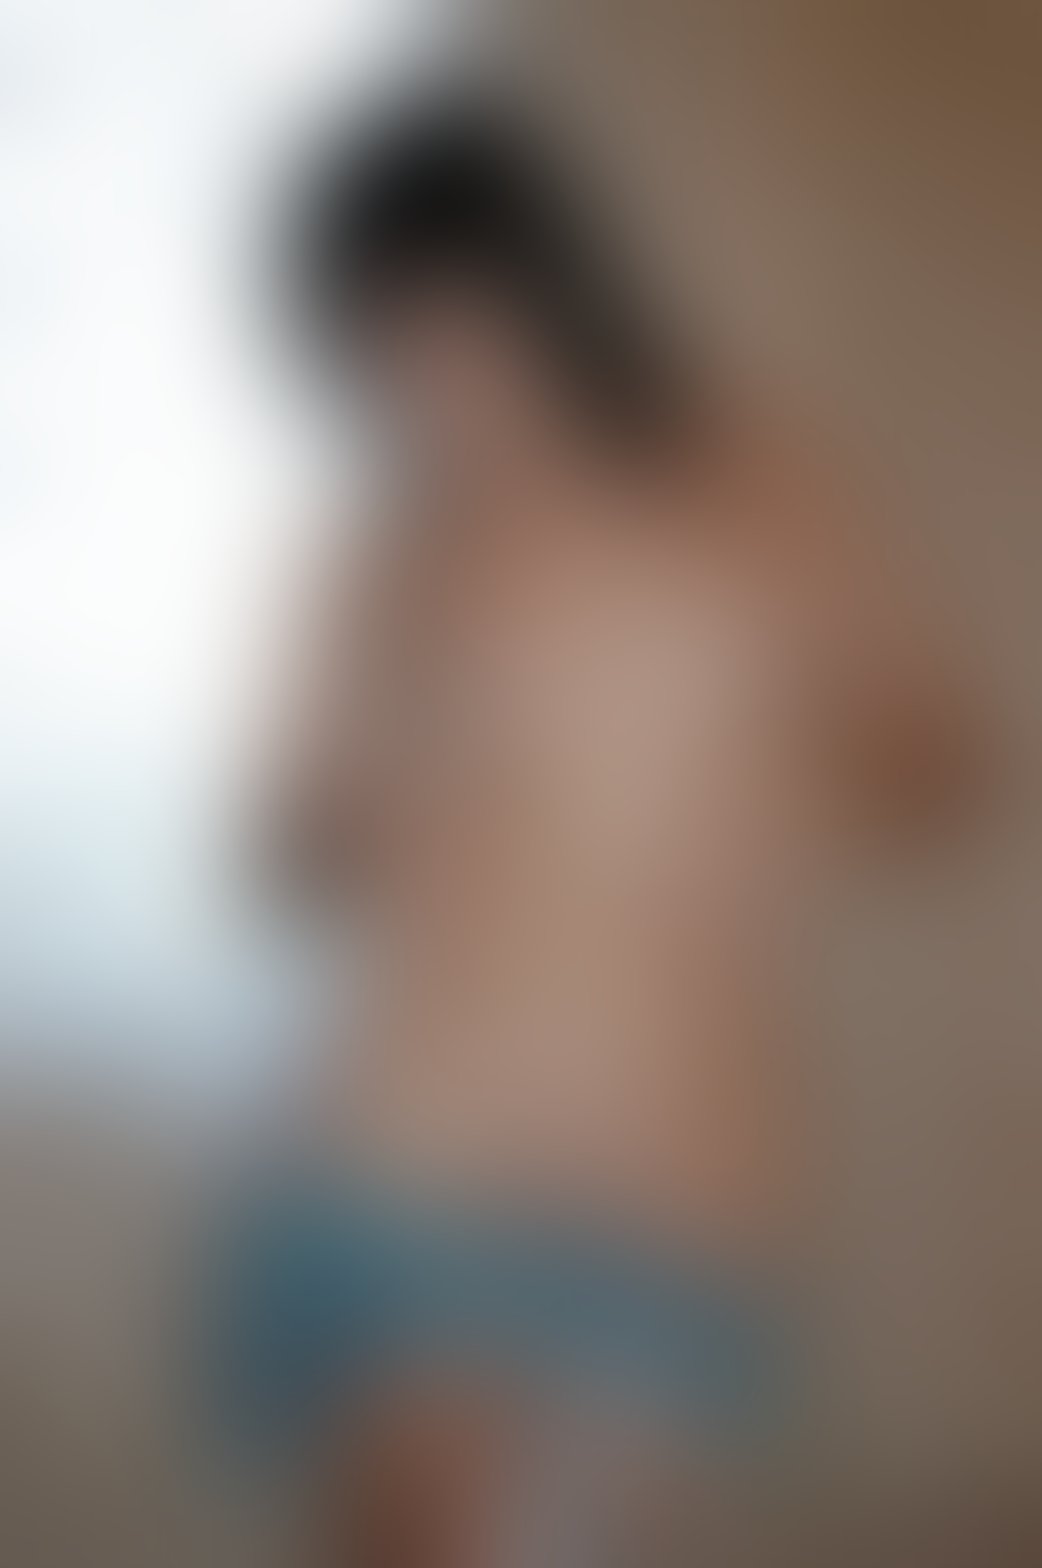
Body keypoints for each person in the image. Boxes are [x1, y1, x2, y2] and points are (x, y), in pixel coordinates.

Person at [230, 105, 982, 1565]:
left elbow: (942, 761)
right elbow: (287, 851)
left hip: (674, 1171)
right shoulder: (380, 546)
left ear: (541, 287)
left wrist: (789, 793)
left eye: (433, 321)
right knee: (405, 1541)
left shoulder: (754, 487)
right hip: (411, 1149)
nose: (415, 379)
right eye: (371, 344)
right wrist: (378, 783)